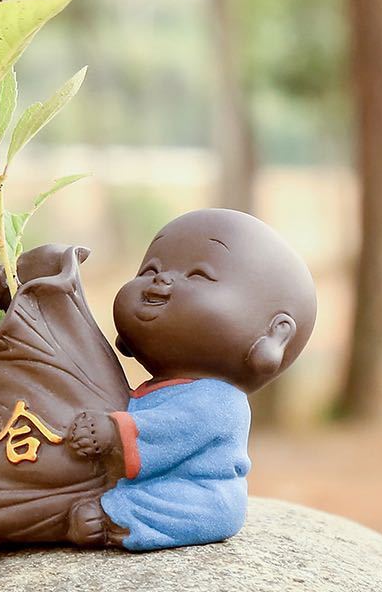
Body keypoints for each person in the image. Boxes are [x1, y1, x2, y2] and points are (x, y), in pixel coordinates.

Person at [66, 208, 317, 550]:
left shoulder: (220, 401)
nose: (162, 279)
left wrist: (113, 433)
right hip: (140, 479)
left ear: (274, 334)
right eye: (150, 269)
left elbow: (171, 430)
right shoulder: (147, 387)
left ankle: (117, 519)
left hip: (198, 490)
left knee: (205, 508)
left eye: (198, 275)